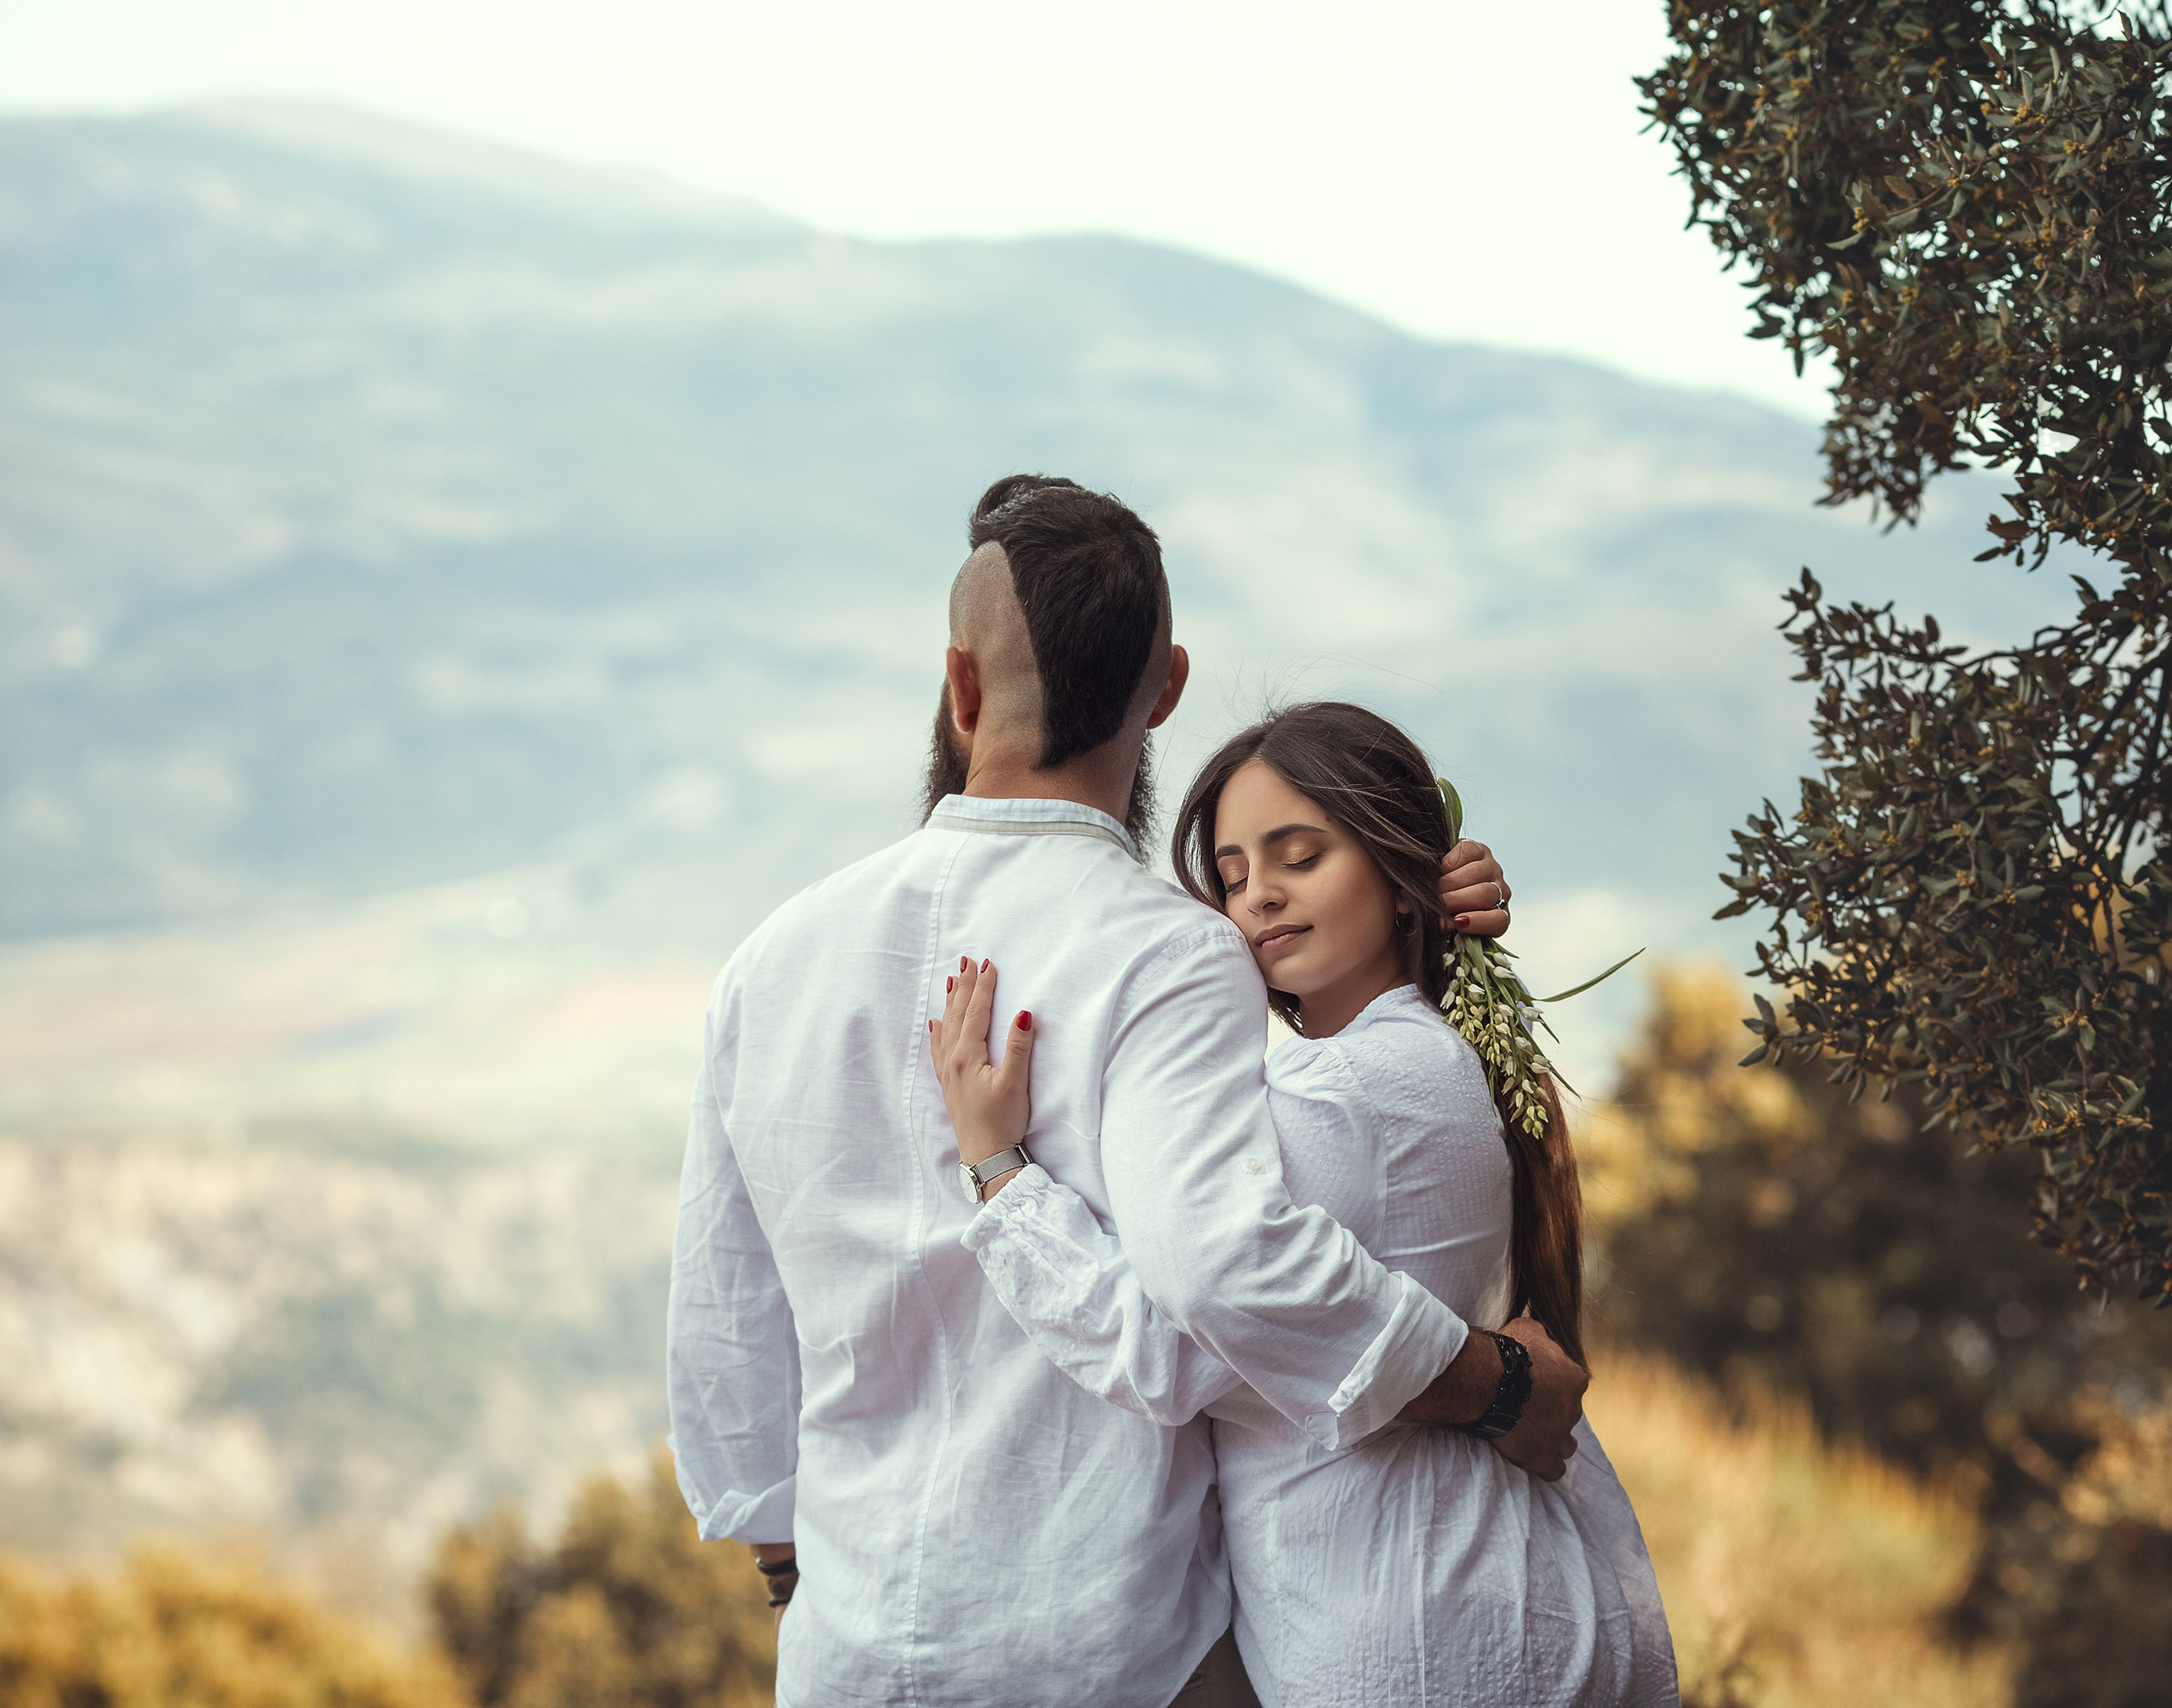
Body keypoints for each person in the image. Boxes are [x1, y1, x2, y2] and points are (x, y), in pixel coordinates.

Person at [665, 475, 1587, 1708]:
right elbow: (1223, 1274)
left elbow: (725, 1329)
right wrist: (1494, 1385)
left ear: (961, 686)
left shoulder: (769, 961)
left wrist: (803, 1585)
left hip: (845, 1655)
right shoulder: (1168, 952)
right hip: (1114, 1650)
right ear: (1167, 689)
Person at [930, 702, 1678, 1707]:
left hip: (1409, 1634)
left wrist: (999, 1172)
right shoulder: (1427, 1058)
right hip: (1471, 1602)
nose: (1258, 899)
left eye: (1299, 856)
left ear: (1396, 869)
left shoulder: (1346, 1093)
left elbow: (1166, 1348)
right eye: (1233, 877)